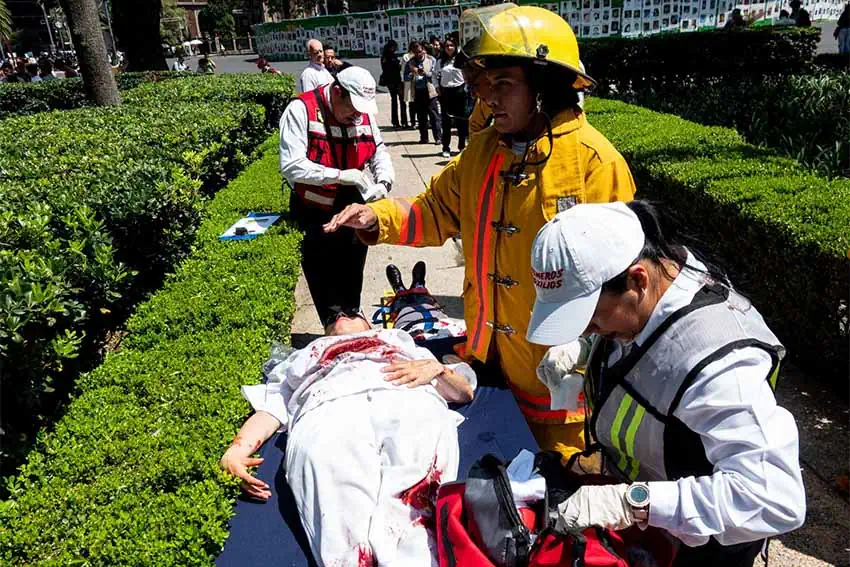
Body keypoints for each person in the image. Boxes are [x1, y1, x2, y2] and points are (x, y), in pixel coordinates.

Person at [324, 4, 635, 464]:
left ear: (545, 86)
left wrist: (581, 353)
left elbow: (623, 283)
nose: (486, 96)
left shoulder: (595, 163)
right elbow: (435, 209)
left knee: (558, 502)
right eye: (484, 82)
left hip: (562, 393)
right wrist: (377, 218)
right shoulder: (485, 150)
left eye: (503, 84)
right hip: (486, 365)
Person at [527, 201, 806, 567]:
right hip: (650, 529)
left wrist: (631, 502)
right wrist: (583, 348)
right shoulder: (661, 274)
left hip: (703, 545)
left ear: (638, 280)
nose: (586, 329)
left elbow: (771, 499)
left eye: (590, 320)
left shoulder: (721, 365)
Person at [220, 315, 476, 566]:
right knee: (339, 520)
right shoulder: (303, 356)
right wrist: (237, 449)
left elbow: (463, 392)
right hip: (327, 408)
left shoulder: (400, 341)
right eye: (332, 317)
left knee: (416, 510)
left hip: (408, 399)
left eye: (352, 312)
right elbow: (271, 410)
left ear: (370, 325)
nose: (341, 315)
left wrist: (439, 369)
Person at [279, 66, 395, 332]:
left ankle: (352, 313)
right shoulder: (301, 109)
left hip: (353, 201)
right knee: (323, 271)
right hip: (314, 206)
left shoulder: (360, 114)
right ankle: (333, 323)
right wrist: (342, 175)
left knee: (354, 264)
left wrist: (384, 182)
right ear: (337, 92)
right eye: (352, 109)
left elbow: (379, 151)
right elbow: (292, 165)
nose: (357, 117)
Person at [434, 37, 468, 158]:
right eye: (447, 46)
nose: (449, 48)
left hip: (459, 91)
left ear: (456, 47)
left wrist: (466, 88)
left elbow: (467, 74)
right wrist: (437, 87)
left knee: (461, 121)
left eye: (451, 45)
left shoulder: (461, 60)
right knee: (446, 122)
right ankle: (446, 147)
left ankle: (461, 146)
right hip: (446, 92)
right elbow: (435, 75)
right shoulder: (440, 61)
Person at [404, 41, 442, 145]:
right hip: (418, 92)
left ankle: (438, 137)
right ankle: (424, 137)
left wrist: (425, 72)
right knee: (421, 117)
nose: (418, 54)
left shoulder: (431, 60)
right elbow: (405, 77)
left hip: (430, 91)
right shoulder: (410, 63)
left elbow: (435, 74)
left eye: (420, 52)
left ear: (424, 50)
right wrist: (413, 73)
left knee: (434, 116)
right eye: (415, 52)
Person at [380, 40, 407, 128]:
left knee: (394, 101)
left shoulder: (384, 57)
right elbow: (397, 67)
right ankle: (403, 121)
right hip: (396, 80)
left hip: (389, 81)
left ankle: (395, 121)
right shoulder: (391, 57)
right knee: (402, 101)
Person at [402, 41, 418, 130]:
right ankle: (413, 121)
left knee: (414, 103)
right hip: (409, 81)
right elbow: (403, 69)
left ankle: (414, 121)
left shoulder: (416, 56)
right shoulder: (407, 56)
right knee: (411, 103)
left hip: (413, 81)